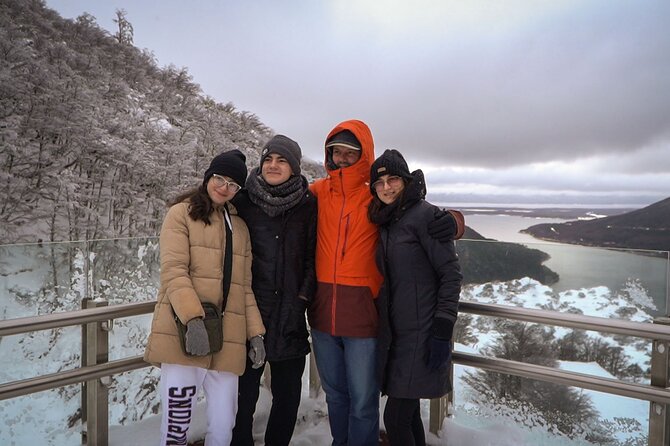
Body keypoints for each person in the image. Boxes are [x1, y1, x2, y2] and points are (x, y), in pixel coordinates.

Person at [307, 119, 465, 446]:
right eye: (336, 152)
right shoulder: (319, 192)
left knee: (365, 402)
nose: (342, 158)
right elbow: (277, 199)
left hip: (366, 316)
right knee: (336, 396)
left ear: (365, 154)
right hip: (323, 313)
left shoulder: (375, 199)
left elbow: (418, 215)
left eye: (351, 153)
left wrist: (454, 221)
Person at [144, 149, 266, 446]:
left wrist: (255, 334)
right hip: (185, 335)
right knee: (177, 424)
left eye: (233, 184)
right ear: (208, 177)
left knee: (224, 425)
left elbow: (244, 287)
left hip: (228, 340)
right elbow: (174, 271)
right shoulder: (181, 213)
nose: (224, 188)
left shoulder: (239, 227)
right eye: (220, 179)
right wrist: (193, 320)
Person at [368, 149, 462, 446]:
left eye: (393, 179)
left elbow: (451, 274)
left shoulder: (424, 215)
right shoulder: (385, 218)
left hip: (423, 333)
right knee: (406, 416)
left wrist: (442, 327)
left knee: (394, 418)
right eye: (379, 183)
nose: (386, 188)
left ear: (406, 181)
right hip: (398, 334)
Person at [230, 135, 317, 446]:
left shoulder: (308, 205)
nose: (273, 165)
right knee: (241, 399)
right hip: (247, 317)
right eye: (268, 159)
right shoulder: (242, 202)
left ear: (294, 168)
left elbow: (312, 257)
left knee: (287, 398)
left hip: (290, 316)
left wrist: (302, 297)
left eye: (282, 161)